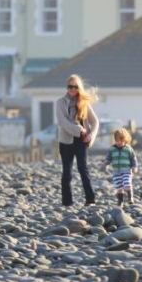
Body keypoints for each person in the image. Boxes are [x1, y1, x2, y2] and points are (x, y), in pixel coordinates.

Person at [56, 74, 99, 207]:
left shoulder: (84, 102)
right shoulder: (60, 102)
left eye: (75, 87)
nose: (73, 89)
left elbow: (95, 121)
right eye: (70, 87)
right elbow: (62, 122)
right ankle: (67, 202)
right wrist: (78, 129)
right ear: (67, 87)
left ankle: (90, 199)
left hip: (81, 141)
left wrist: (90, 135)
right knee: (67, 172)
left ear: (79, 88)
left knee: (83, 169)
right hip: (66, 141)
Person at [103, 127, 138, 206]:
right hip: (116, 172)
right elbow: (108, 158)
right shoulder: (112, 149)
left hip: (126, 171)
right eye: (117, 140)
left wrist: (134, 167)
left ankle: (130, 198)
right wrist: (105, 163)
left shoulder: (128, 149)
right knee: (119, 187)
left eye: (122, 141)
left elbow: (133, 158)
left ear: (125, 140)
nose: (119, 142)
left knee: (127, 184)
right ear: (115, 139)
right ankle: (120, 201)